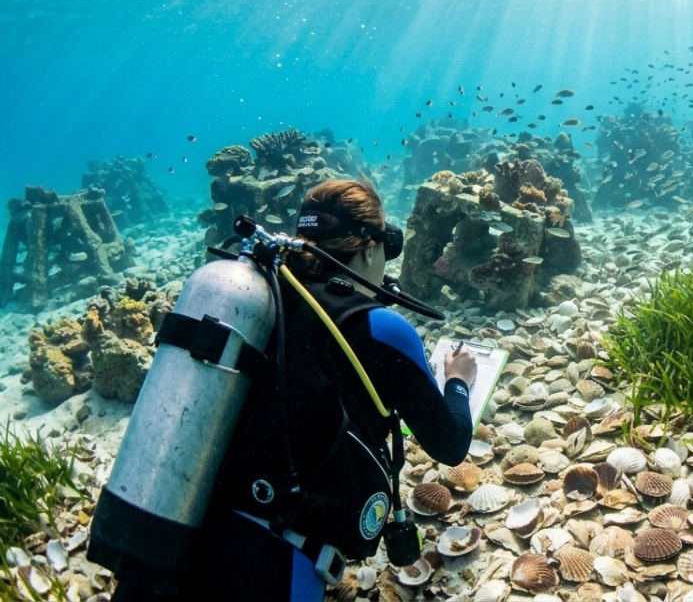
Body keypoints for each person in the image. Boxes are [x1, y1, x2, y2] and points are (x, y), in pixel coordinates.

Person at [111, 178, 477, 601]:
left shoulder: (254, 299)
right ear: (371, 247)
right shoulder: (382, 329)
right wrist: (457, 381)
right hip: (270, 564)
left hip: (173, 534)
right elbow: (450, 445)